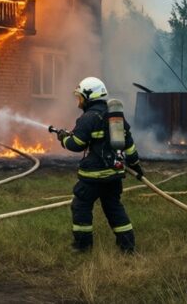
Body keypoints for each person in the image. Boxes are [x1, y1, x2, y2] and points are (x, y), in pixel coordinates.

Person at [56, 76, 143, 253]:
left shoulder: (88, 118)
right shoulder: (115, 118)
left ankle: (82, 246)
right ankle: (128, 246)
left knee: (81, 206)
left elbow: (76, 144)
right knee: (114, 208)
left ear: (89, 97)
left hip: (93, 177)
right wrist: (135, 165)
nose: (78, 102)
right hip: (114, 175)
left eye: (80, 97)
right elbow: (129, 145)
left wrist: (63, 138)